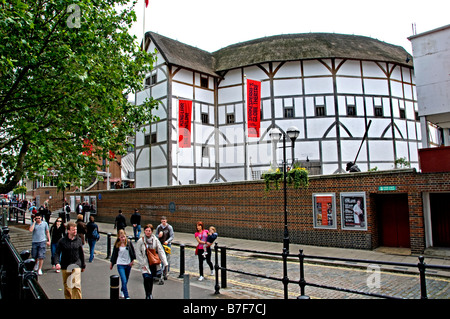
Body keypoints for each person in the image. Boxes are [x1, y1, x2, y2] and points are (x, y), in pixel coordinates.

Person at [54, 221, 86, 299]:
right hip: (65, 265)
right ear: (68, 231)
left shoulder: (78, 240)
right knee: (67, 287)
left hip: (76, 264)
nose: (75, 231)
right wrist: (57, 263)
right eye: (73, 230)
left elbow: (81, 253)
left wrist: (83, 265)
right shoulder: (62, 241)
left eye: (75, 229)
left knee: (76, 284)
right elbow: (57, 253)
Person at [135, 224, 168, 299]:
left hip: (153, 263)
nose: (148, 232)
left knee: (151, 279)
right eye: (146, 231)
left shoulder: (155, 240)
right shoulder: (141, 241)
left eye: (149, 231)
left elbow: (160, 251)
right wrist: (142, 263)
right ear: (144, 231)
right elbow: (138, 253)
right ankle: (147, 294)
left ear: (152, 231)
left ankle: (150, 294)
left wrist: (165, 262)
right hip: (145, 263)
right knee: (146, 278)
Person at [110, 229, 136, 299]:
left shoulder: (129, 242)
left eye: (124, 237)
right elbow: (114, 254)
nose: (123, 238)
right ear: (119, 237)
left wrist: (132, 261)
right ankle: (127, 296)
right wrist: (112, 263)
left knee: (126, 280)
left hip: (128, 264)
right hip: (120, 264)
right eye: (121, 237)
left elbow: (133, 252)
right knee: (123, 280)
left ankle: (122, 291)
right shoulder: (117, 244)